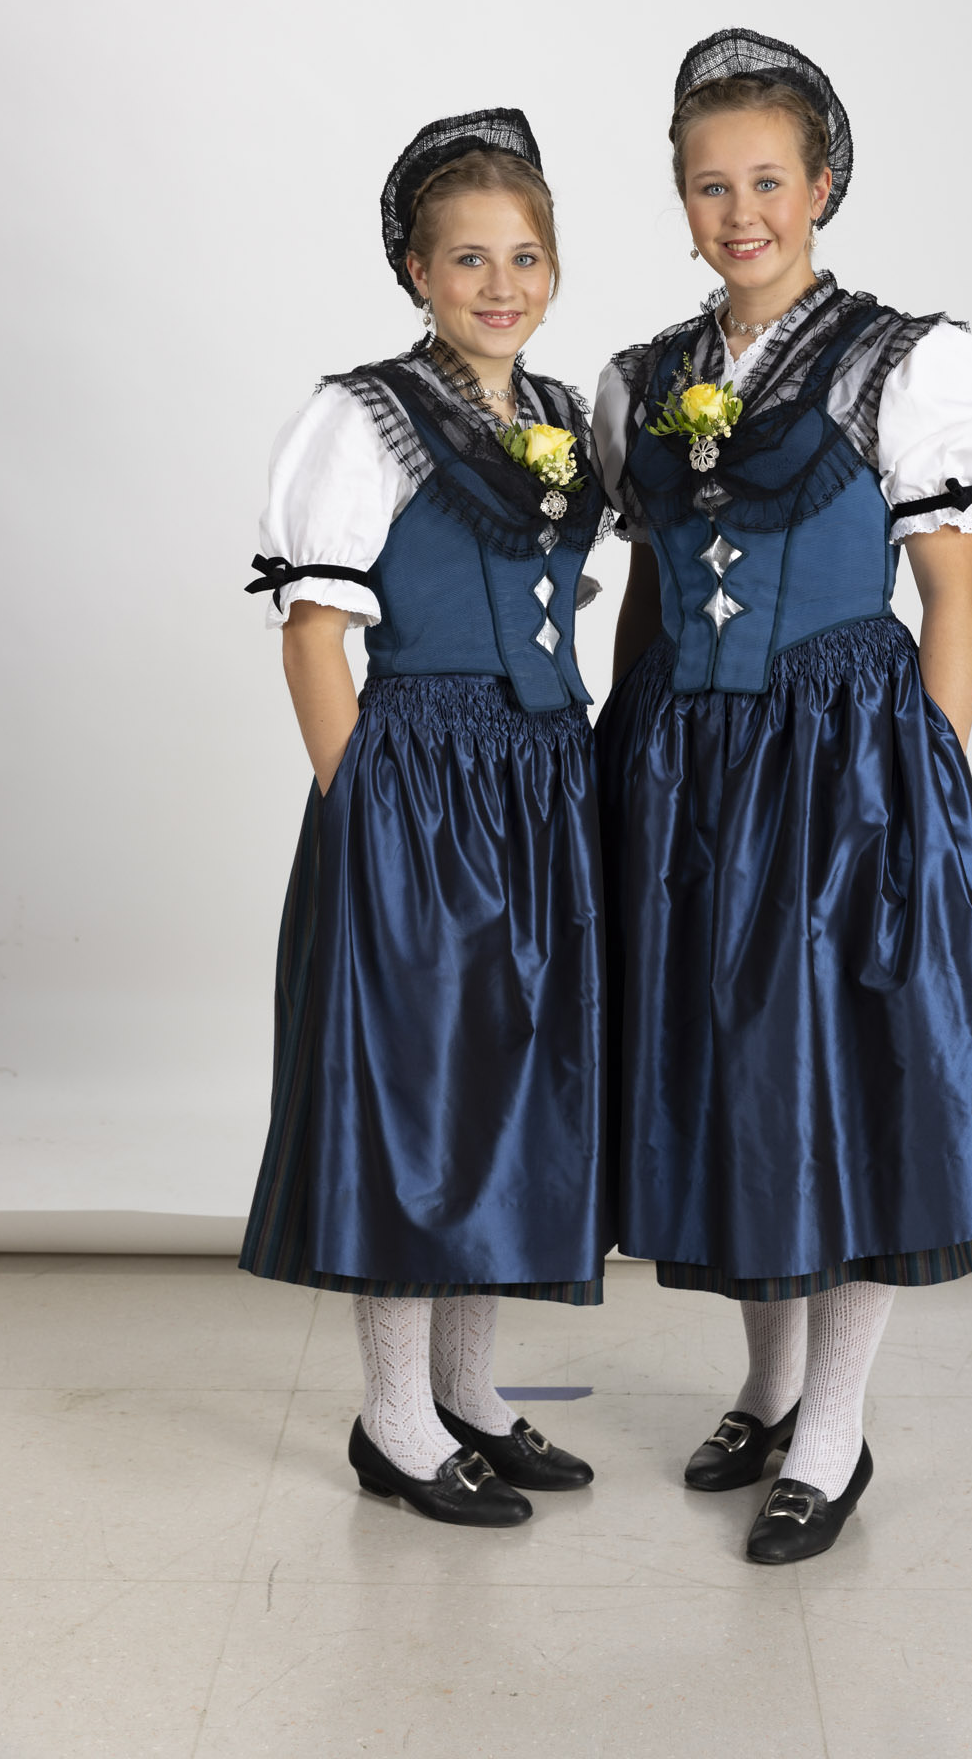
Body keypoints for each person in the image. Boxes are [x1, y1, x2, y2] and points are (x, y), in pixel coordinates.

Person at [595, 30, 972, 1564]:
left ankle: (834, 1429)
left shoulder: (904, 363)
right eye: (709, 185)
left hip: (842, 760)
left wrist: (923, 793)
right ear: (679, 199)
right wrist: (618, 761)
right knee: (741, 1077)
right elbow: (646, 595)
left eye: (766, 181)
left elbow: (954, 598)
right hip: (684, 765)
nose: (740, 212)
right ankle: (767, 1387)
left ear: (820, 188)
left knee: (850, 1080)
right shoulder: (640, 381)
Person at [241, 110, 609, 1528]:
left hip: (542, 781)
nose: (499, 286)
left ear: (553, 269)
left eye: (524, 258)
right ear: (415, 269)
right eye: (468, 259)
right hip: (422, 783)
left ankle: (469, 1393)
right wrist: (367, 812)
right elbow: (313, 635)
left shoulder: (562, 415)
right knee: (418, 1090)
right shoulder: (365, 416)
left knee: (505, 1082)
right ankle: (393, 1421)